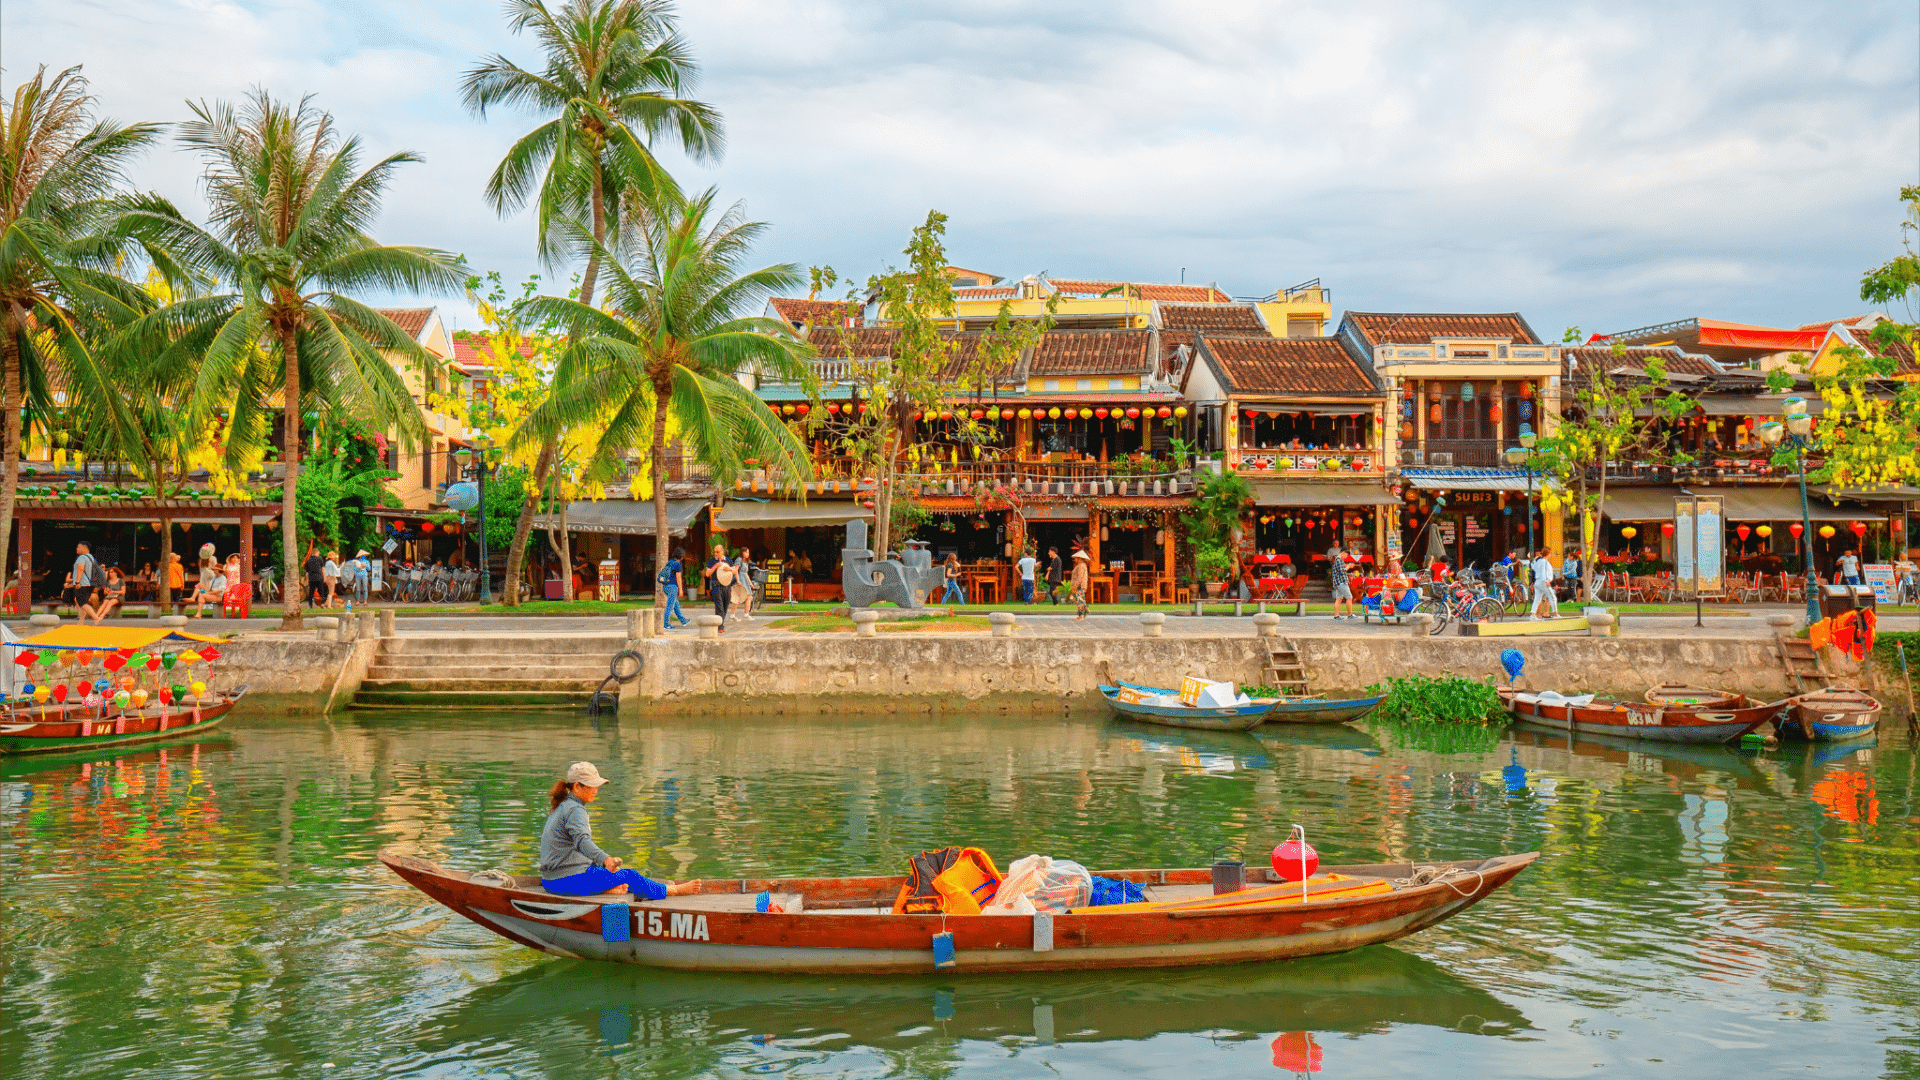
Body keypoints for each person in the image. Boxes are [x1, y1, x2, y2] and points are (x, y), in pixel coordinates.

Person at [540, 761, 699, 899]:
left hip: (554, 879)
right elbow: (583, 842)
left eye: (597, 785)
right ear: (577, 786)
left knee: (614, 874)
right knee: (629, 876)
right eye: (591, 785)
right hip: (563, 882)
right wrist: (606, 859)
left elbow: (577, 846)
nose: (596, 789)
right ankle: (673, 890)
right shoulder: (575, 810)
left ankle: (606, 889)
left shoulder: (564, 806)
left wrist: (604, 864)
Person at [702, 542, 735, 631]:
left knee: (725, 607)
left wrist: (730, 569)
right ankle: (720, 627)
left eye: (718, 552)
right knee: (719, 607)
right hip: (716, 586)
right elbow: (707, 573)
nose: (716, 554)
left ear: (722, 552)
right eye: (715, 552)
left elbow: (735, 571)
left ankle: (719, 624)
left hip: (727, 586)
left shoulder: (728, 560)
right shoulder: (712, 561)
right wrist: (716, 566)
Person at [658, 547, 690, 629]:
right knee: (670, 606)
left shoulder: (669, 562)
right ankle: (666, 624)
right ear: (681, 556)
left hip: (665, 586)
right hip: (672, 587)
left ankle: (683, 620)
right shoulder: (678, 564)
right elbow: (678, 578)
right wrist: (681, 590)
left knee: (676, 604)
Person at [1327, 543, 1356, 621]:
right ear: (1343, 553)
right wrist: (1348, 566)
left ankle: (1336, 616)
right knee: (1349, 597)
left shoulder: (1338, 559)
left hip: (1338, 582)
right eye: (1346, 555)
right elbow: (1342, 571)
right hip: (1341, 582)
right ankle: (1350, 615)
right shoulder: (1338, 559)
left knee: (1339, 599)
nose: (1346, 557)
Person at [1530, 548, 1559, 619]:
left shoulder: (1538, 562)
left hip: (1537, 582)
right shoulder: (1545, 562)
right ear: (1548, 554)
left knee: (1537, 599)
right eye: (1550, 554)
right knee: (1552, 597)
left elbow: (1533, 567)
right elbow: (1544, 572)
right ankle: (1556, 614)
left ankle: (1533, 614)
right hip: (1543, 582)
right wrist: (1546, 580)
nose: (1550, 555)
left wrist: (1534, 560)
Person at [1069, 549, 1091, 620]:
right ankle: (1085, 610)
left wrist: (1075, 586)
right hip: (1080, 586)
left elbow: (1080, 577)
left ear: (1079, 558)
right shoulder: (1081, 565)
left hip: (1079, 586)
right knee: (1080, 599)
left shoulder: (1081, 566)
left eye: (1076, 558)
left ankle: (1081, 615)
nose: (1075, 559)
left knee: (1079, 601)